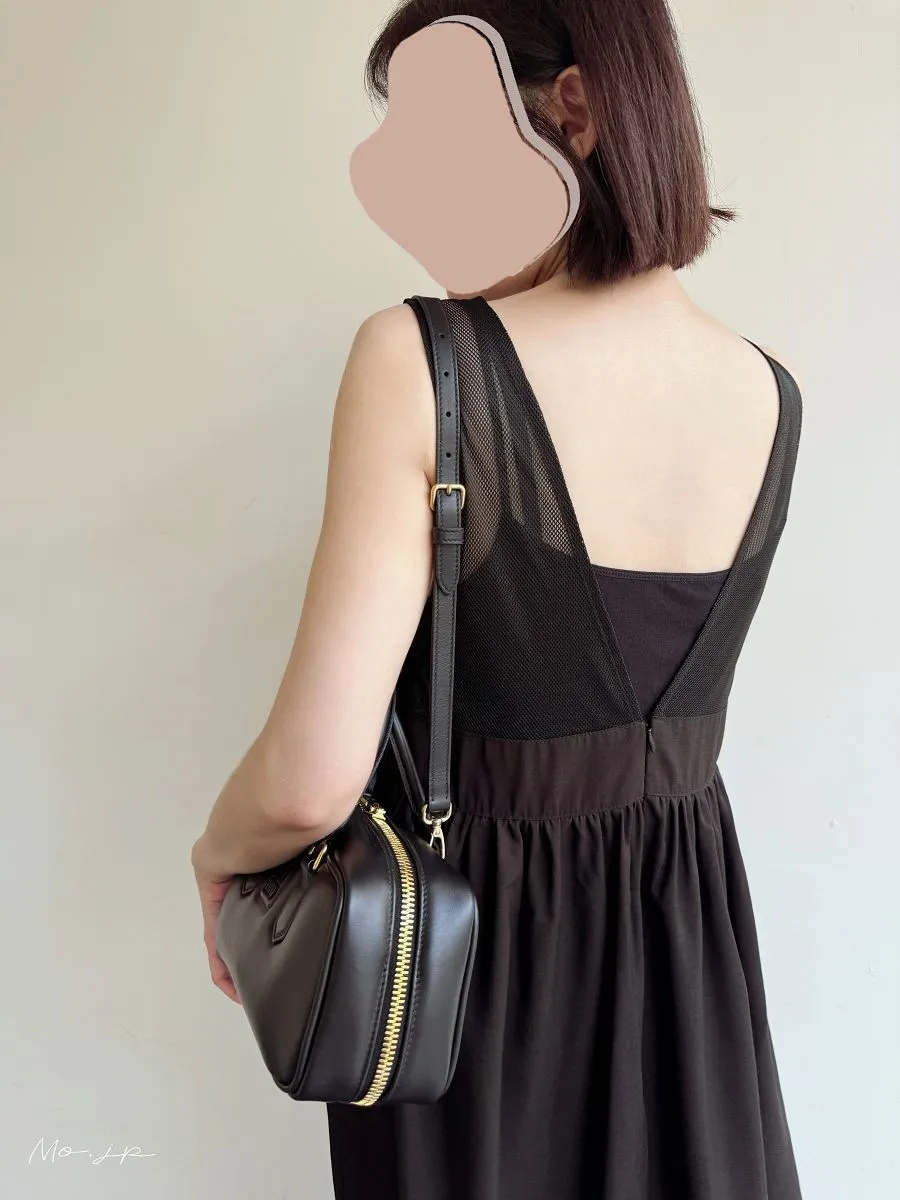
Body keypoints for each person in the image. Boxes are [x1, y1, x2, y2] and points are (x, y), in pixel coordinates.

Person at [191, 2, 804, 1197]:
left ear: (574, 108)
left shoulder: (424, 361)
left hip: (478, 984)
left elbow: (312, 783)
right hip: (691, 975)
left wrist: (220, 855)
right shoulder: (770, 393)